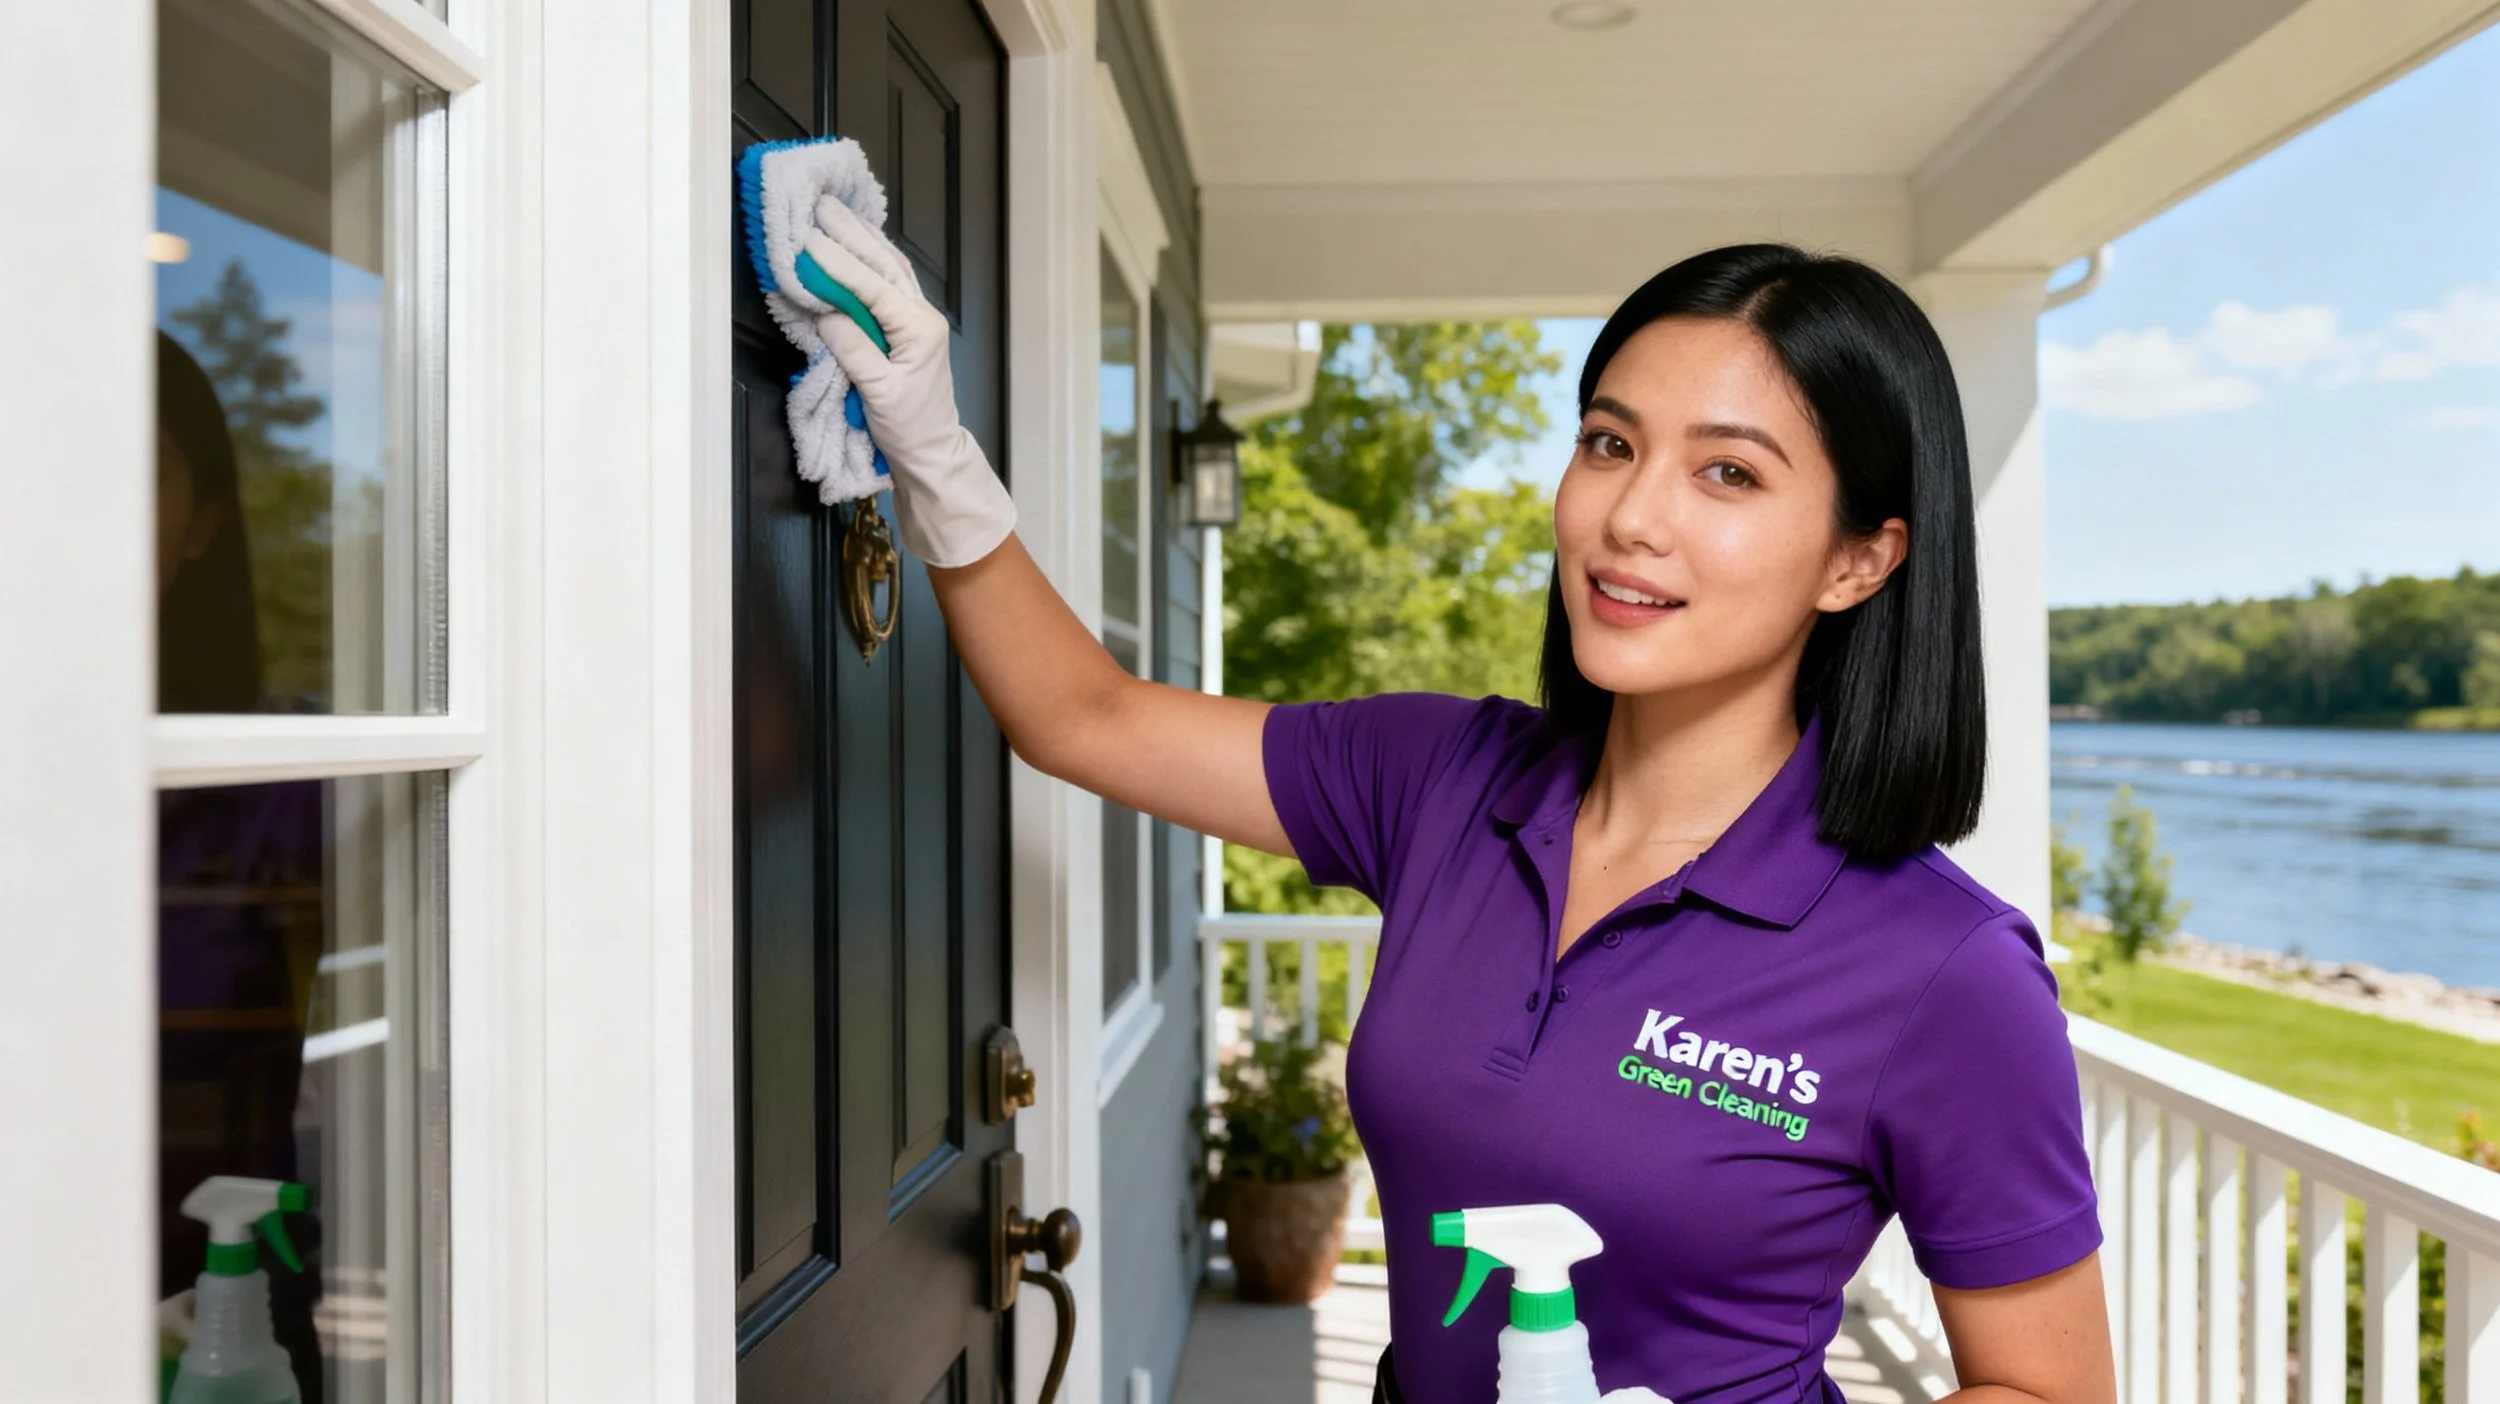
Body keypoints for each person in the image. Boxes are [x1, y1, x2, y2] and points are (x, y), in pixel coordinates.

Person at [806, 218, 2115, 1404]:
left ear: (1860, 557)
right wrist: (932, 445)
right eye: (1611, 443)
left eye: (1728, 475)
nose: (1629, 517)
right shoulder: (1442, 781)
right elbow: (1082, 717)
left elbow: (2052, 1392)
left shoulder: (1943, 971)